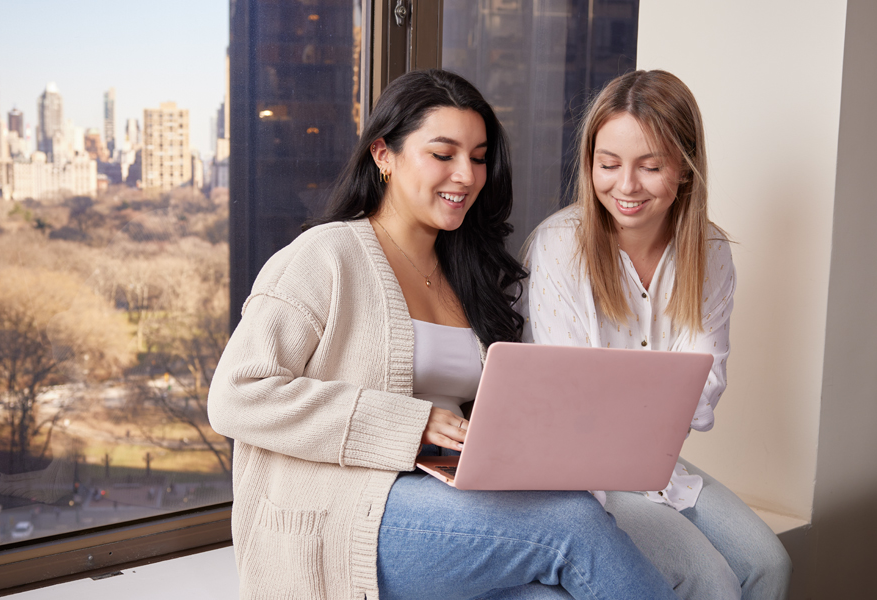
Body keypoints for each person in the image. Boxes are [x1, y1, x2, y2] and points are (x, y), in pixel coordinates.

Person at [208, 69, 680, 600]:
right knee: (573, 524)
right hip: (350, 514)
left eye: (478, 157)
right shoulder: (326, 255)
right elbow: (236, 396)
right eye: (443, 154)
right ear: (383, 155)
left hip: (447, 499)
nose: (466, 175)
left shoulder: (466, 271)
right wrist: (413, 424)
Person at [521, 69, 793, 600]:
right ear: (590, 165)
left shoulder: (709, 251)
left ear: (685, 171)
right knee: (710, 582)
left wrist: (648, 411)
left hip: (660, 460)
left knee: (770, 565)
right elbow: (574, 400)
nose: (626, 186)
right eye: (608, 164)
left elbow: (703, 386)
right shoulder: (558, 246)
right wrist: (655, 403)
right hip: (581, 471)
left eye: (650, 166)